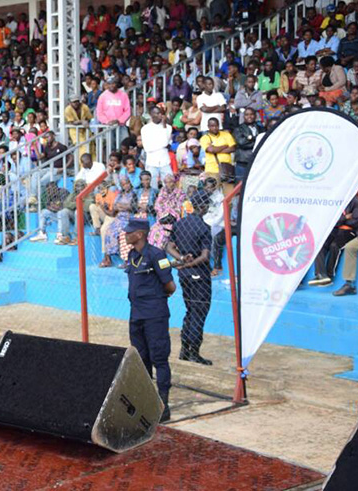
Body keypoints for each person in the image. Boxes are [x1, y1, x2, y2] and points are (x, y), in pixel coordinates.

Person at [123, 218, 176, 422]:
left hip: (154, 315)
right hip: (136, 315)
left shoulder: (157, 255)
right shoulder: (132, 254)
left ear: (140, 234)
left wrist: (156, 298)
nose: (126, 235)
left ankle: (163, 405)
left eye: (130, 232)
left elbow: (170, 286)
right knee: (141, 359)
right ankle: (147, 401)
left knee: (159, 358)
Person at [166, 190, 213, 365]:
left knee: (190, 310)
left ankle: (185, 350)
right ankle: (194, 352)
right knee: (199, 311)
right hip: (199, 275)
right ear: (204, 207)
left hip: (184, 275)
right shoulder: (204, 227)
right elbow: (205, 256)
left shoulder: (180, 224)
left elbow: (169, 247)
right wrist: (189, 263)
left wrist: (181, 260)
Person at [310, 193, 358, 286]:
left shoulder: (357, 201)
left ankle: (330, 275)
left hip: (349, 231)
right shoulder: (335, 200)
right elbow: (329, 220)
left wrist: (339, 221)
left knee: (335, 246)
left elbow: (355, 222)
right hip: (334, 229)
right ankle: (321, 275)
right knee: (320, 244)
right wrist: (345, 217)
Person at [140, 106, 173, 189]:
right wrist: (163, 145)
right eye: (157, 113)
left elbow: (166, 142)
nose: (160, 115)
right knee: (152, 187)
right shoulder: (145, 128)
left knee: (169, 185)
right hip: (152, 162)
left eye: (161, 113)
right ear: (151, 115)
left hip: (165, 161)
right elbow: (147, 147)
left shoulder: (168, 127)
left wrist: (164, 125)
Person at [232, 107, 261, 181]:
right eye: (247, 114)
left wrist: (250, 138)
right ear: (243, 116)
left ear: (255, 115)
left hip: (257, 160)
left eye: (251, 114)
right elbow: (241, 143)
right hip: (243, 161)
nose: (249, 116)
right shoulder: (238, 129)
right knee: (240, 185)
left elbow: (263, 142)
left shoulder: (260, 128)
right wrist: (256, 140)